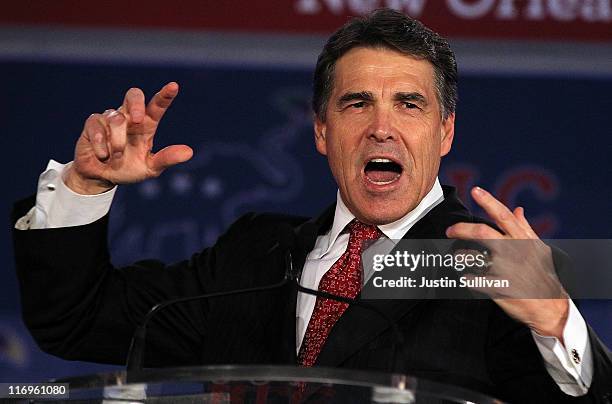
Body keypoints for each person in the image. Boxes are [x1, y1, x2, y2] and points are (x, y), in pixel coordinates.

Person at [12, 8, 612, 403]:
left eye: (409, 104)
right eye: (356, 104)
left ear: (445, 132)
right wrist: (84, 188)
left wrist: (557, 322)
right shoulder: (252, 253)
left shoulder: (490, 267)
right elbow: (78, 322)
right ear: (322, 131)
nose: (382, 129)